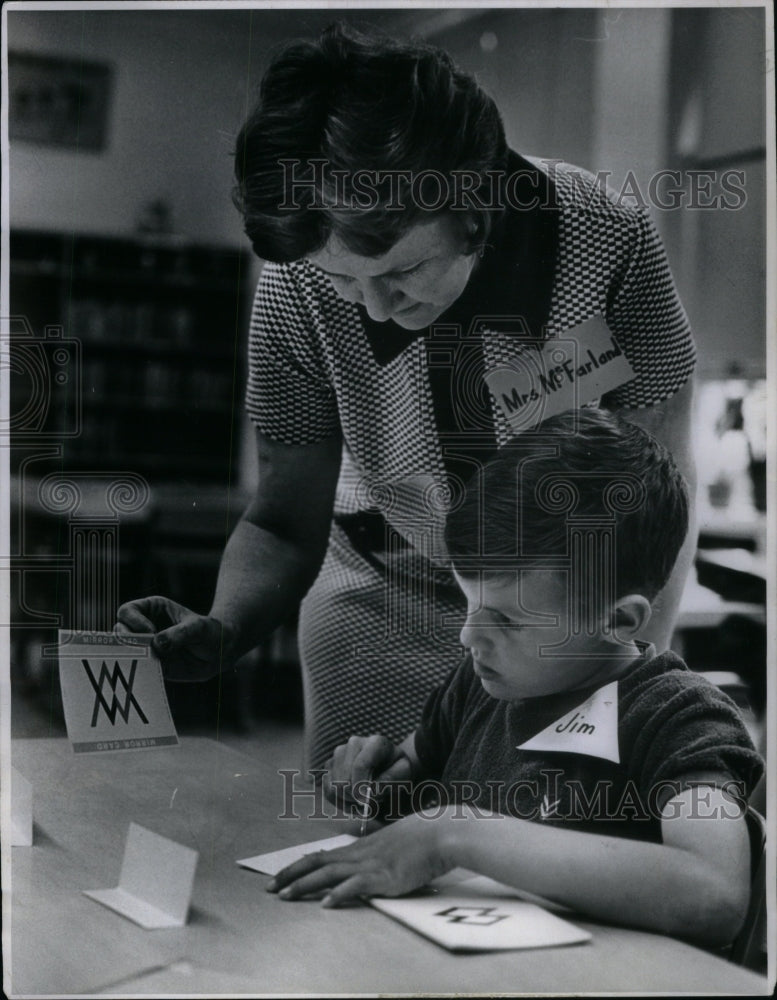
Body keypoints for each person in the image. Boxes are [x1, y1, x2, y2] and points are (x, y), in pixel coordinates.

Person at [117, 23, 698, 769]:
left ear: (475, 207)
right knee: (370, 832)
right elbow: (284, 517)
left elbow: (660, 498)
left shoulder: (607, 243)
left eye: (400, 272)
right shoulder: (296, 285)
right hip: (378, 593)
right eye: (342, 281)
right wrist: (226, 627)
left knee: (544, 839)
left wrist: (615, 676)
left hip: (559, 610)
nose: (374, 309)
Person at [267, 410, 762, 949]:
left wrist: (456, 832)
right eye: (469, 600)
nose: (467, 637)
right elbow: (408, 777)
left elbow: (715, 894)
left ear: (618, 620)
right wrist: (368, 782)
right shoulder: (480, 685)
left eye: (506, 618)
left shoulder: (680, 718)